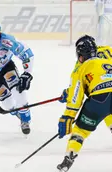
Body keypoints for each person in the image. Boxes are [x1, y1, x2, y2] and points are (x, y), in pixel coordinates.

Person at [57, 35, 112, 171]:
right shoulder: (107, 57)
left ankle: (69, 156)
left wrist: (68, 116)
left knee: (80, 131)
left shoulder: (80, 68)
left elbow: (76, 96)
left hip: (99, 100)